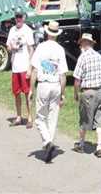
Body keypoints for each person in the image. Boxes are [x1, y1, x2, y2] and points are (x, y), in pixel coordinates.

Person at [30, 21, 68, 163]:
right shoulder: (60, 49)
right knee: (52, 118)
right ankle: (49, 145)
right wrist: (63, 93)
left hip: (44, 84)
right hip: (56, 85)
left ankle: (47, 142)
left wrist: (31, 89)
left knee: (40, 117)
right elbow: (63, 75)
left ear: (47, 32)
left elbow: (34, 70)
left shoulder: (40, 47)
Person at [73, 33, 101, 158]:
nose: (80, 46)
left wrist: (76, 94)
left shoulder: (82, 57)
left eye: (81, 43)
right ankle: (99, 146)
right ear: (91, 43)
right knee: (100, 120)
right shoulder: (99, 56)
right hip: (100, 92)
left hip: (87, 92)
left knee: (84, 119)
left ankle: (81, 144)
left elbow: (77, 79)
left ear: (84, 44)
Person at [7, 9, 34, 128]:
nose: (18, 19)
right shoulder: (12, 30)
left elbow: (31, 49)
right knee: (16, 93)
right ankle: (18, 116)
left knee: (27, 92)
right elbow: (8, 46)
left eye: (20, 17)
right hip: (15, 66)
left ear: (23, 17)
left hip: (24, 66)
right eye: (16, 17)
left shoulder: (27, 30)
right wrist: (10, 47)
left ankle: (29, 117)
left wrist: (30, 67)